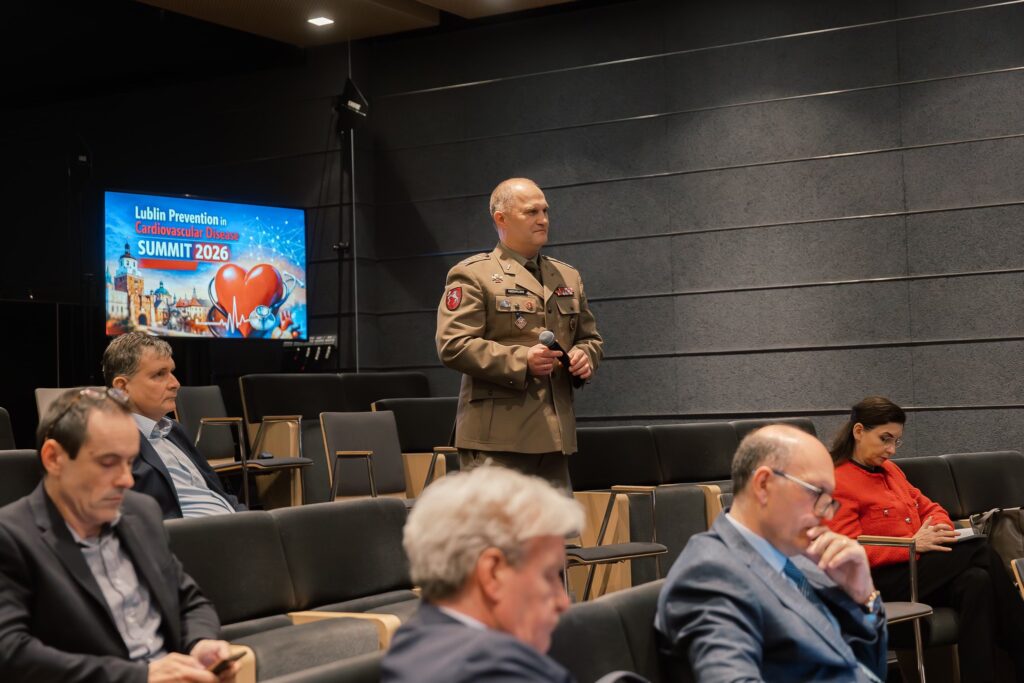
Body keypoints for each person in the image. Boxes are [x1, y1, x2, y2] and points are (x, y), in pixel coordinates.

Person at [0, 387, 241, 682]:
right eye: (108, 463)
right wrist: (141, 676)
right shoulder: (11, 537)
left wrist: (200, 643)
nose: (127, 479)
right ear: (54, 458)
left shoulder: (141, 513)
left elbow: (189, 601)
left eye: (129, 462)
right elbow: (11, 653)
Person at [656, 425, 888, 683]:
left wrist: (863, 597)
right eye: (816, 492)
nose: (827, 514)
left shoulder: (801, 558)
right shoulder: (710, 575)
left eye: (829, 499)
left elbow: (866, 670)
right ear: (764, 484)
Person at [827, 395, 1024, 682]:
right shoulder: (837, 480)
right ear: (859, 431)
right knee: (979, 548)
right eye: (885, 439)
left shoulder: (891, 471)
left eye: (896, 441)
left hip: (915, 569)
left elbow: (931, 508)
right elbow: (844, 550)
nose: (892, 449)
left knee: (976, 582)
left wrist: (939, 530)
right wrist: (912, 544)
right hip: (878, 580)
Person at [435, 177, 603, 489]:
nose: (543, 219)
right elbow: (453, 344)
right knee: (496, 524)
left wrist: (585, 356)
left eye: (545, 211)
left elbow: (589, 338)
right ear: (501, 219)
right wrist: (521, 359)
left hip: (554, 438)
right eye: (531, 212)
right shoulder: (473, 274)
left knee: (558, 524)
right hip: (497, 441)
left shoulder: (566, 275)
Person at [381, 466, 586, 682]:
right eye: (549, 576)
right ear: (493, 573)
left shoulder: (420, 640)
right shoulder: (487, 672)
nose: (563, 602)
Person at [102, 332, 245, 518]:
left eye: (172, 372)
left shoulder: (174, 431)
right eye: (159, 374)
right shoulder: (111, 442)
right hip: (189, 533)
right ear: (122, 387)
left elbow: (218, 492)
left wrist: (248, 518)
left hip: (235, 524)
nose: (175, 384)